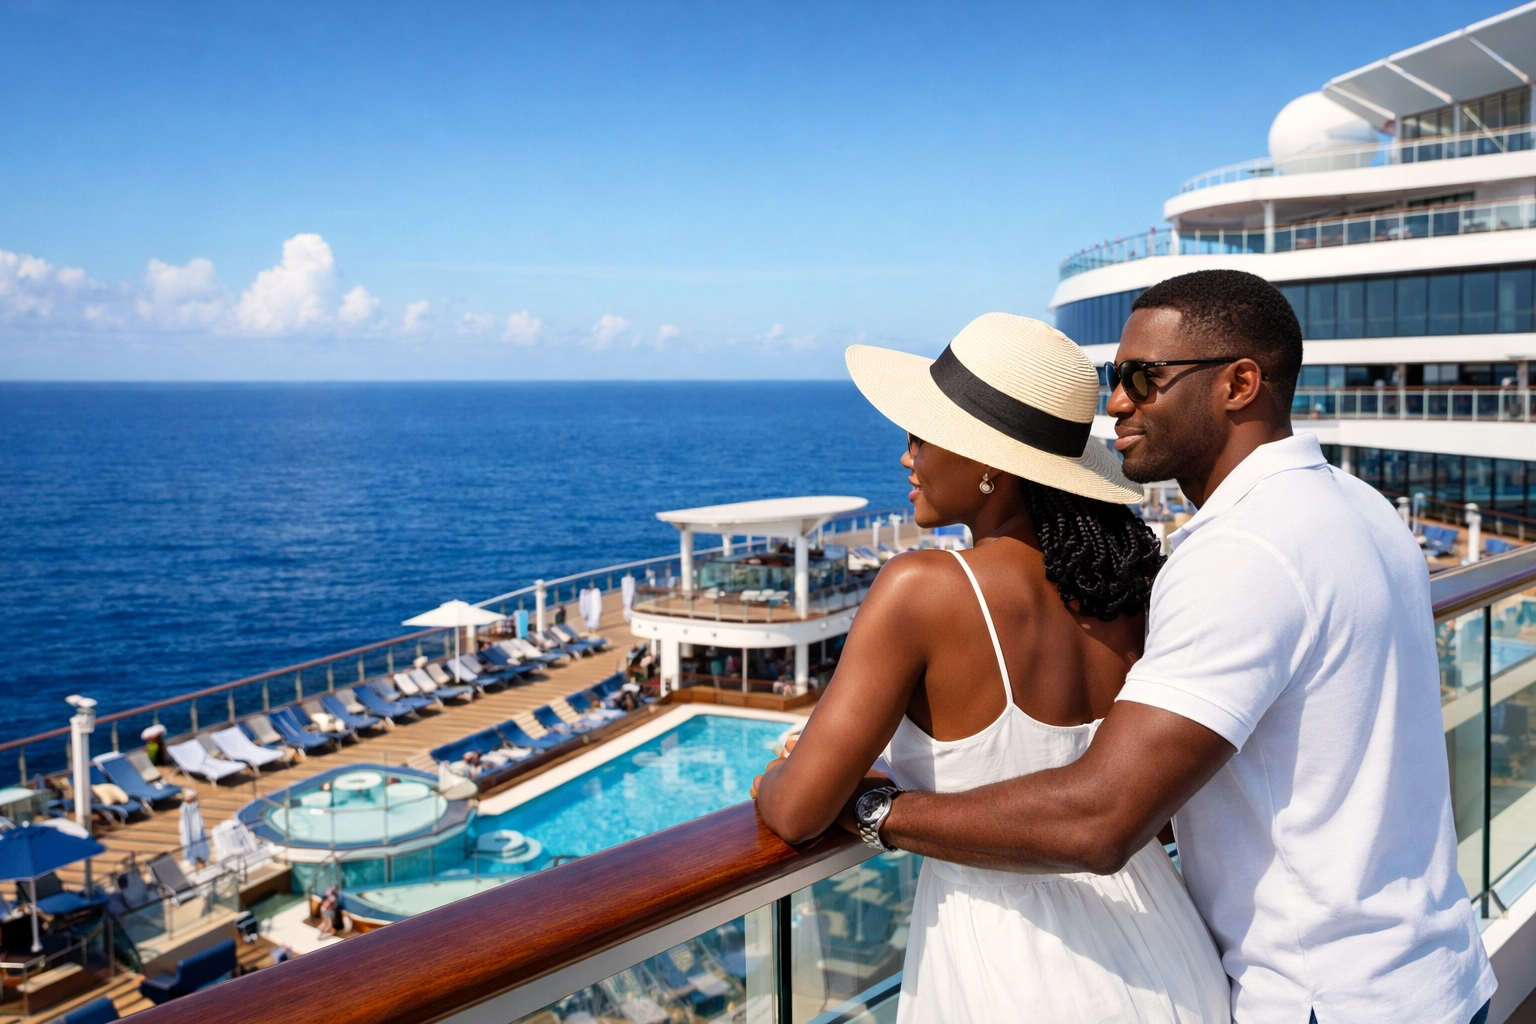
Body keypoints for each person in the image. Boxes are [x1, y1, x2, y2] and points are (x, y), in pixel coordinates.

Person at [769, 271, 1498, 1024]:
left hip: (1314, 993)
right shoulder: (1359, 508)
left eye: (1142, 379)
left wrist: (879, 808)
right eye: (1115, 380)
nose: (1116, 402)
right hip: (1398, 963)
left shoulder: (1241, 552)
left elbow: (1101, 820)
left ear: (1240, 383)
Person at [755, 311, 1230, 1022]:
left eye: (922, 434)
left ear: (988, 464)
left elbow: (798, 813)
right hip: (1164, 946)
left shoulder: (922, 589)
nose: (906, 456)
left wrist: (777, 776)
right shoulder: (1130, 591)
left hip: (1007, 968)